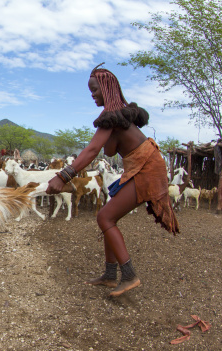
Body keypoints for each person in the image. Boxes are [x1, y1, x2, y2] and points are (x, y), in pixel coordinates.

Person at [46, 63, 179, 297]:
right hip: (143, 166)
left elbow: (92, 151)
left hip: (146, 169)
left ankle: (129, 275)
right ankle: (109, 275)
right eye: (90, 90)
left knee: (104, 216)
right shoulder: (116, 118)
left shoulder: (113, 117)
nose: (92, 94)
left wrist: (62, 176)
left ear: (107, 89)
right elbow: (109, 149)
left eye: (95, 89)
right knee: (109, 215)